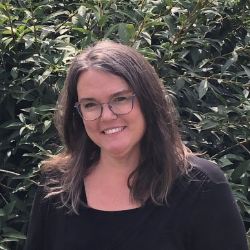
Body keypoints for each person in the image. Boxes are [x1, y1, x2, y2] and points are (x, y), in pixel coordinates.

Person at [24, 41, 248, 250]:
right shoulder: (57, 186)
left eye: (120, 99)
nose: (107, 116)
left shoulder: (202, 187)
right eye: (90, 104)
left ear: (149, 100)